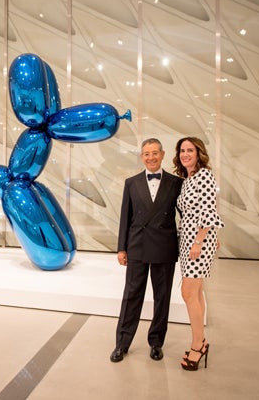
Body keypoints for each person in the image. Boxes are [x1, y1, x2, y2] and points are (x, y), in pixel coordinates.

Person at [110, 138, 183, 363]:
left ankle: (156, 342)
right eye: (146, 154)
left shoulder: (176, 183)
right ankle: (122, 343)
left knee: (162, 297)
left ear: (162, 154)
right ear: (142, 157)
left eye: (154, 153)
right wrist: (121, 248)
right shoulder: (131, 183)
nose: (151, 157)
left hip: (164, 246)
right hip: (137, 245)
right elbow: (125, 217)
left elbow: (187, 215)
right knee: (131, 295)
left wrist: (202, 238)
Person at [173, 136, 224, 371]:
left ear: (198, 153)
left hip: (197, 242)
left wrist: (200, 241)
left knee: (188, 292)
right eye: (182, 150)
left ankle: (197, 345)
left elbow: (208, 210)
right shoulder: (188, 179)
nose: (185, 154)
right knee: (197, 291)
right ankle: (200, 340)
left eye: (190, 150)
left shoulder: (204, 175)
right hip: (188, 240)